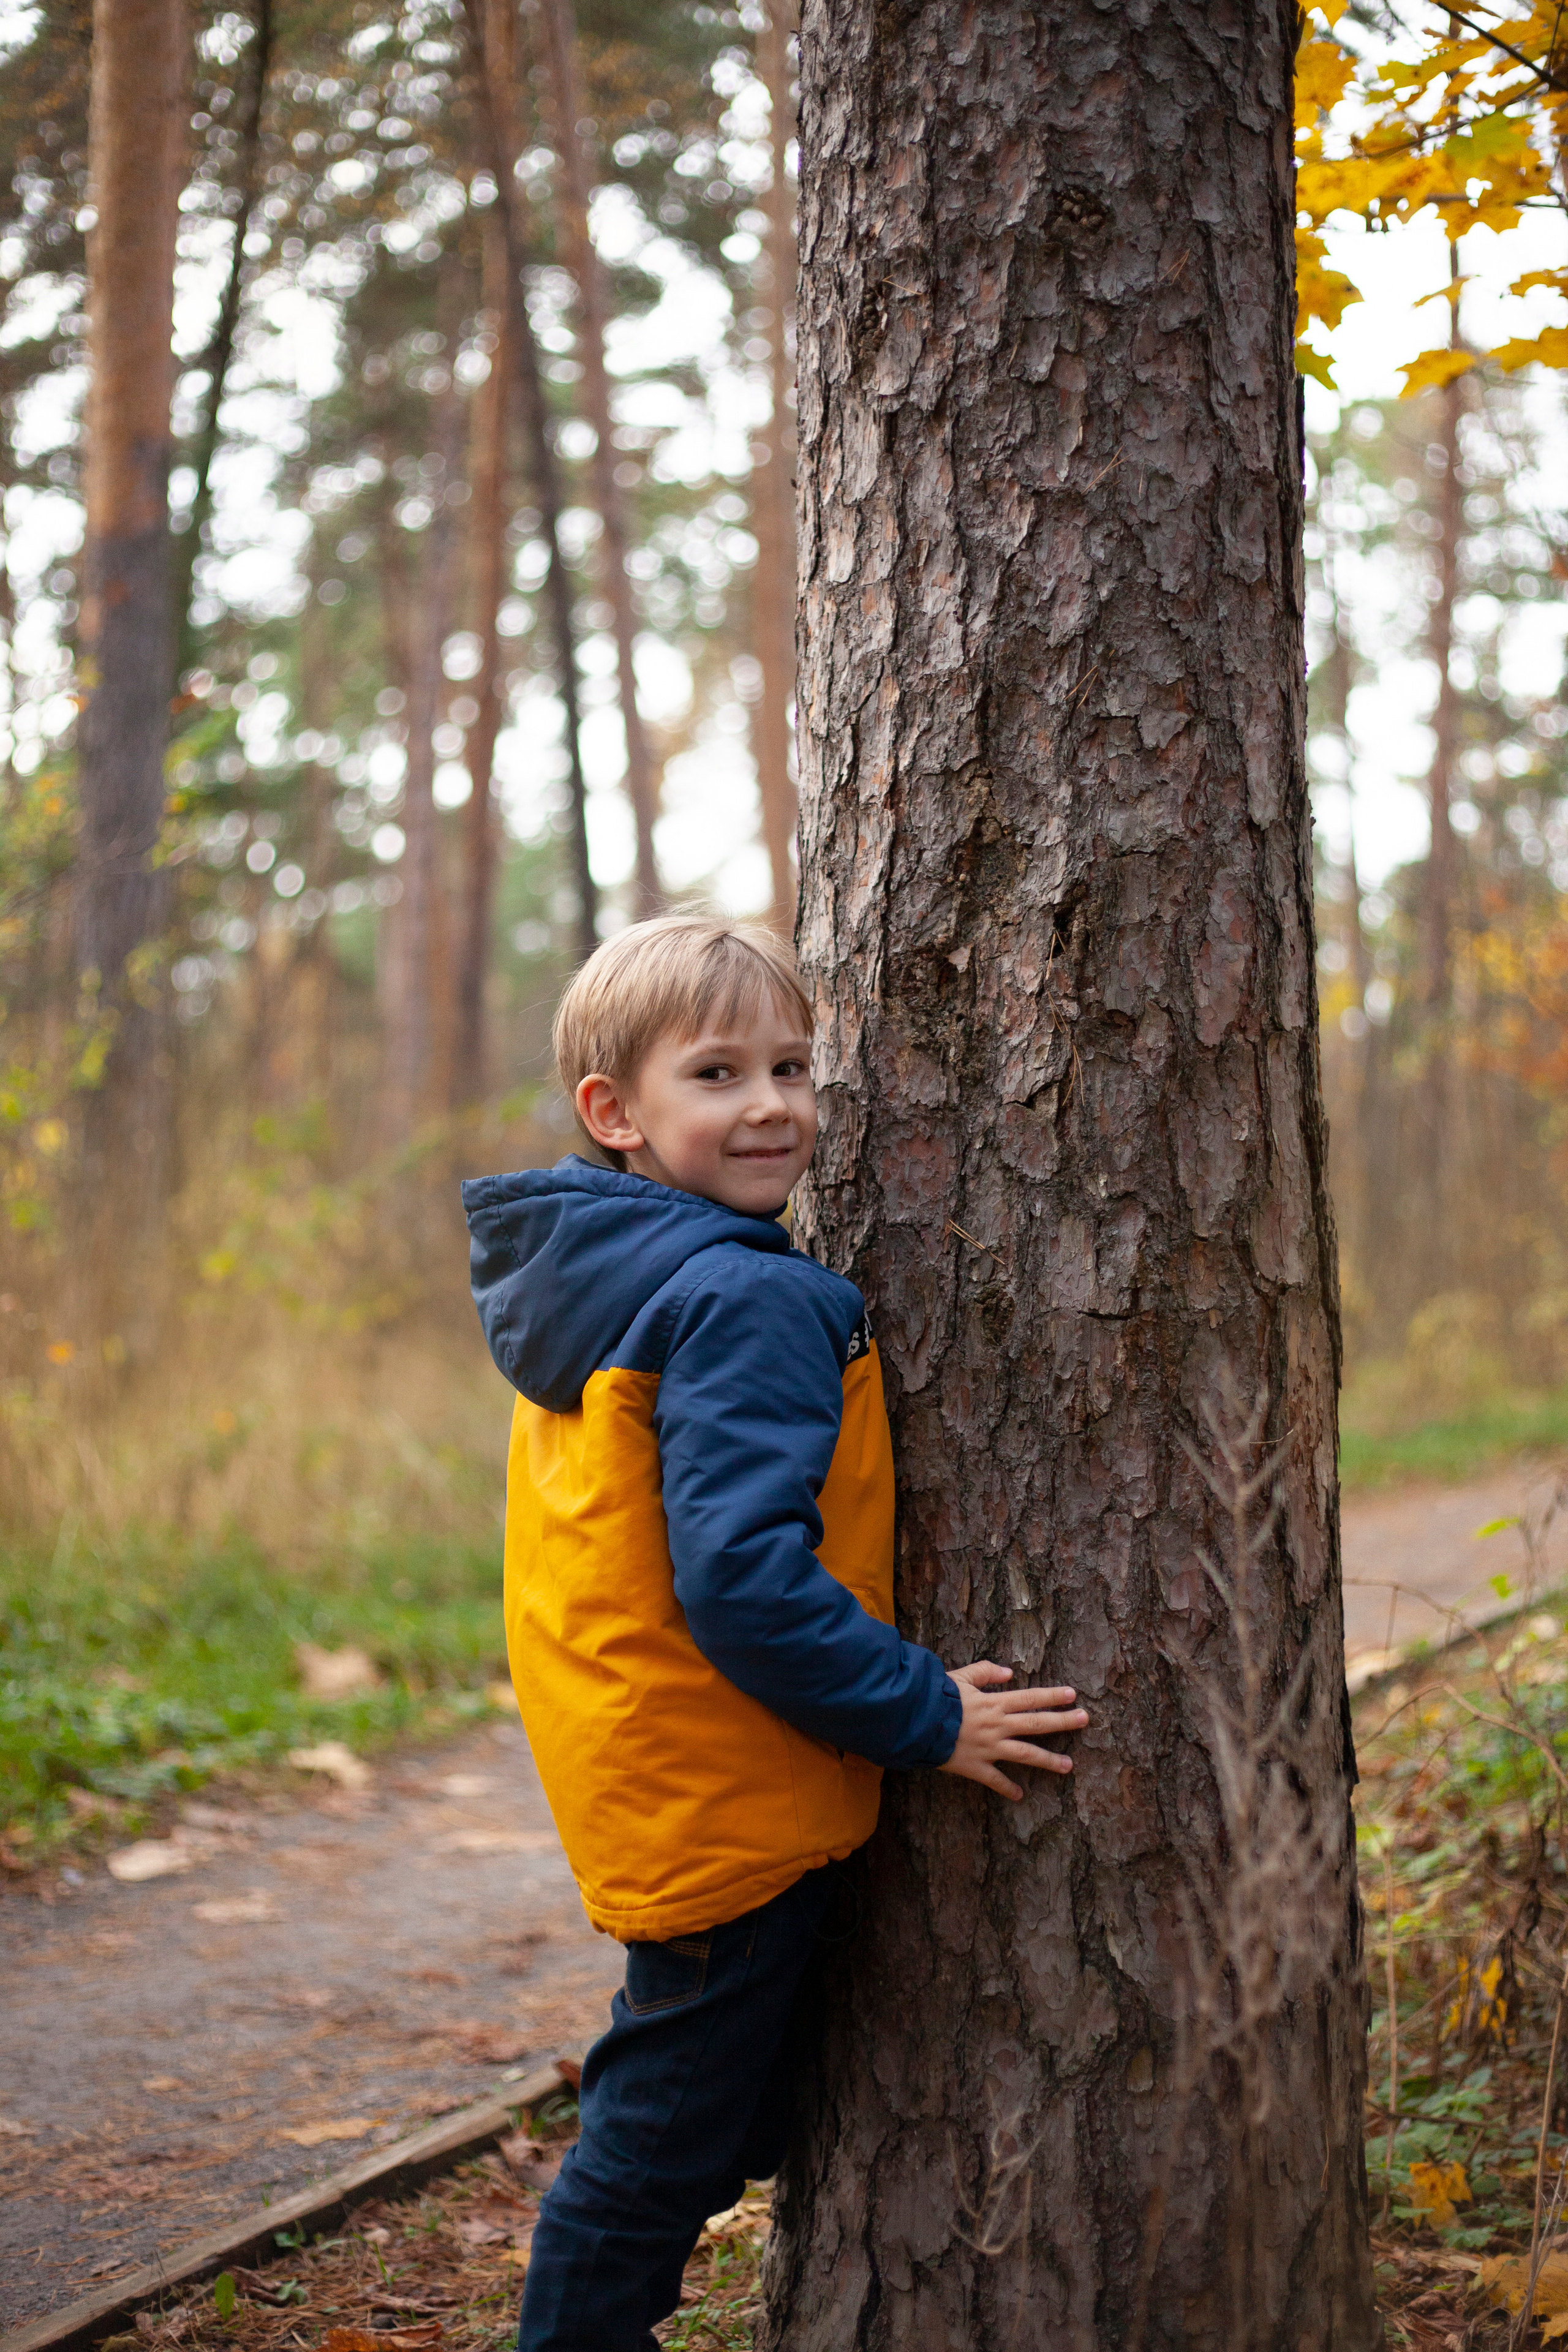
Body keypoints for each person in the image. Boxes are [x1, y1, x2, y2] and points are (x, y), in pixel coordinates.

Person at [461, 914, 1088, 2352]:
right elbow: (742, 1581)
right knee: (649, 2158)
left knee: (712, 2096)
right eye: (717, 1073)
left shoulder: (601, 1274)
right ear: (614, 1114)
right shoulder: (742, 1293)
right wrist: (929, 1712)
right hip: (724, 1792)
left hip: (657, 1767)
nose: (770, 1106)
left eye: (792, 1066)